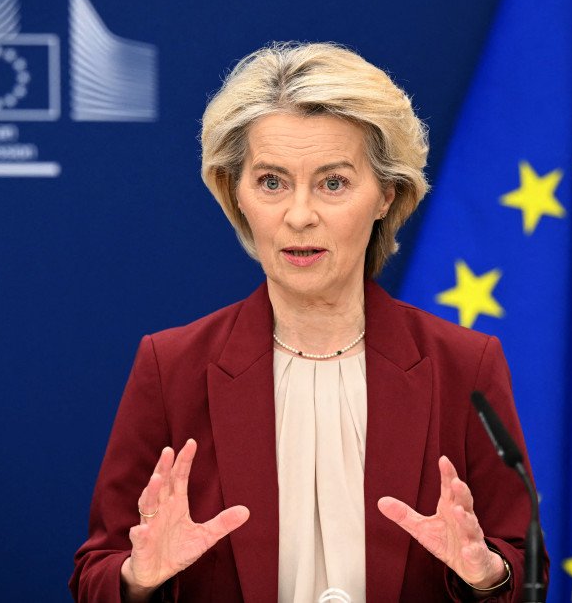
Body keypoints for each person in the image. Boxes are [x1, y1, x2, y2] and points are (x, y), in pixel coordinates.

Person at [70, 42, 546, 602]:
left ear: (385, 196)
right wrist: (137, 580)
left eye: (333, 182)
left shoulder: (464, 365)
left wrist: (489, 576)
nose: (299, 216)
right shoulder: (171, 366)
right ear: (236, 193)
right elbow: (95, 573)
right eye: (272, 182)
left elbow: (522, 565)